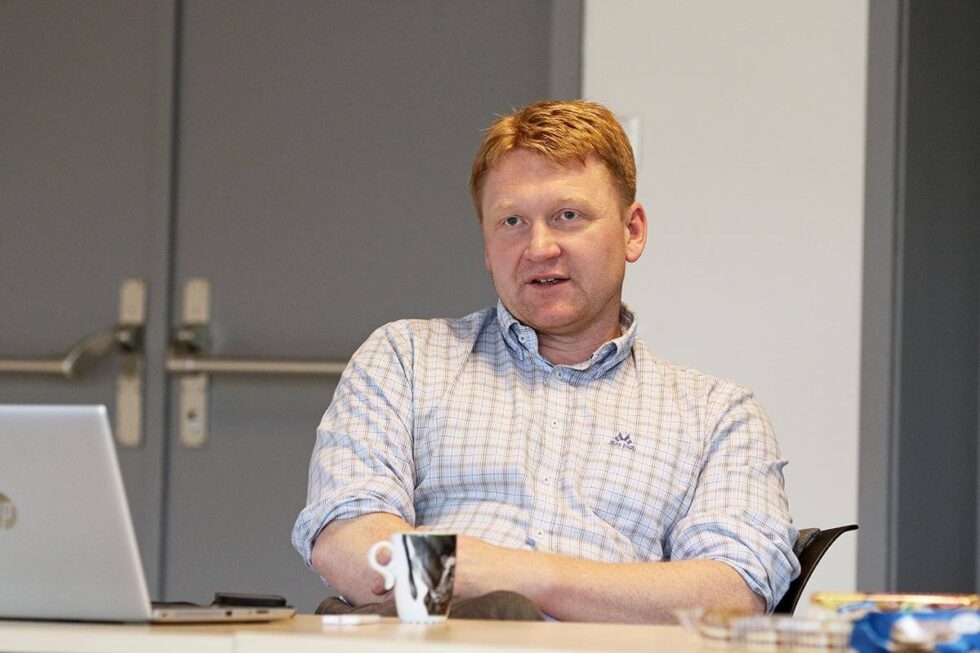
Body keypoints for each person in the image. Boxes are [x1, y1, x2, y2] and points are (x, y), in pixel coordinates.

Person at [292, 99, 799, 623]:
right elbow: (347, 539)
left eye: (568, 216)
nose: (539, 248)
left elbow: (733, 592)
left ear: (632, 231)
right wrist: (455, 593)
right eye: (511, 221)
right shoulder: (407, 359)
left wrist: (513, 576)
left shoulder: (717, 415)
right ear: (487, 244)